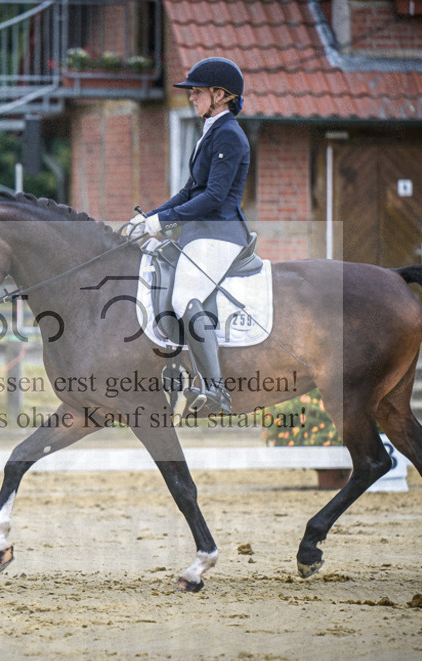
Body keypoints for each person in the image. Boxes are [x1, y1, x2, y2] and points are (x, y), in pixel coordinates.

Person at [124, 57, 253, 415]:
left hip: (221, 233)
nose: (191, 97)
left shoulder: (229, 134)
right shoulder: (210, 131)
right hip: (200, 232)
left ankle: (215, 390)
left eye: (197, 92)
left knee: (184, 297)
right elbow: (187, 192)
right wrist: (151, 218)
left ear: (220, 95)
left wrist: (163, 221)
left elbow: (213, 197)